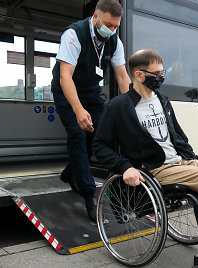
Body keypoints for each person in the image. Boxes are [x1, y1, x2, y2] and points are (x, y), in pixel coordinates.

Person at [93, 49, 198, 268]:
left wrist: (193, 159)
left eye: (162, 71)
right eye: (156, 73)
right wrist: (125, 167)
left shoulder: (162, 99)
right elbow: (99, 145)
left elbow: (177, 133)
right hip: (155, 167)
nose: (161, 77)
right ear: (139, 75)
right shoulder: (120, 107)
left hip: (179, 159)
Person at [51, 0, 131, 221]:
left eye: (116, 26)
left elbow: (122, 77)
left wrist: (130, 109)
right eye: (108, 24)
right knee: (78, 135)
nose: (111, 30)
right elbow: (65, 76)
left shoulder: (114, 40)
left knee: (101, 137)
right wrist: (78, 110)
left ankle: (71, 174)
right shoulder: (73, 34)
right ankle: (88, 195)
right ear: (95, 16)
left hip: (92, 94)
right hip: (66, 91)